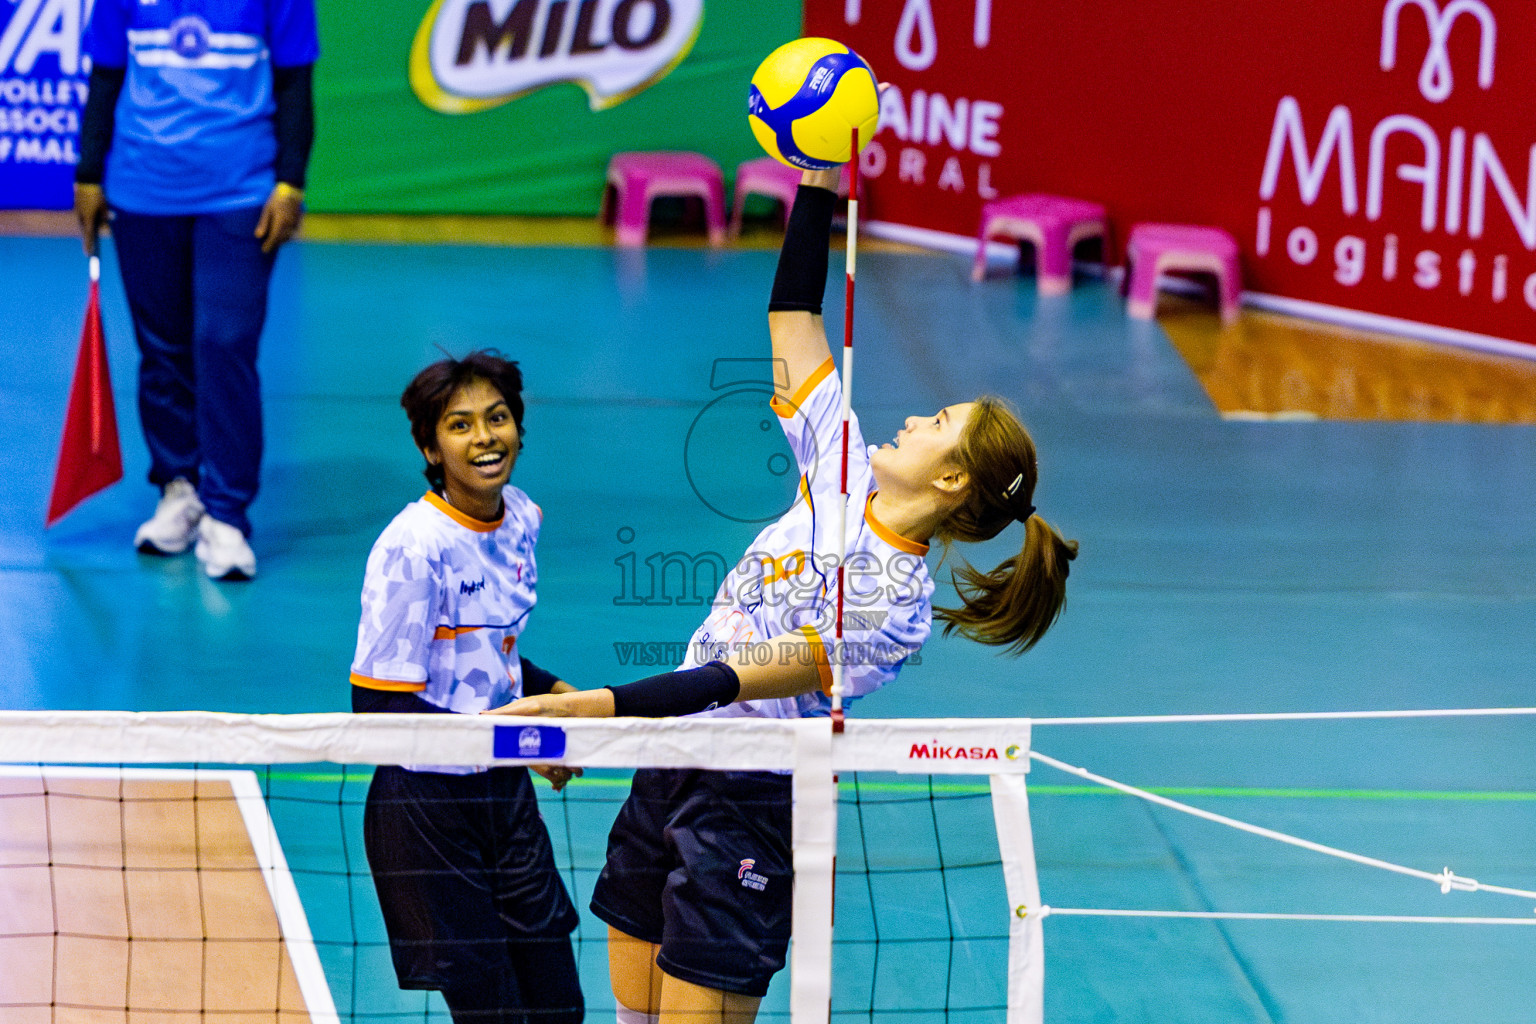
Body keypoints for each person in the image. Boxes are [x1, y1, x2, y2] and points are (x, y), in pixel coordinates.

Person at [491, 168, 1079, 1024]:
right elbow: (795, 317)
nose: (914, 420)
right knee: (631, 1008)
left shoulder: (893, 607)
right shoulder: (839, 469)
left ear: (953, 480)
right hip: (671, 761)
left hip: (750, 801)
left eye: (937, 424)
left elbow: (730, 678)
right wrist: (816, 181)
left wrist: (593, 709)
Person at [351, 352, 585, 1024]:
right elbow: (378, 707)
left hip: (502, 796)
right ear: (431, 448)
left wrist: (557, 695)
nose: (484, 437)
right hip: (428, 807)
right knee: (493, 1015)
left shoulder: (521, 518)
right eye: (460, 425)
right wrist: (525, 738)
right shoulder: (412, 548)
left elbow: (489, 653)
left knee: (559, 1007)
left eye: (497, 417)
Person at [73, 0, 319, 580]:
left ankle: (226, 513)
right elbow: (107, 74)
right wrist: (88, 173)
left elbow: (294, 81)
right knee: (163, 350)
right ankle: (178, 489)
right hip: (142, 189)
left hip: (241, 192)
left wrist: (290, 181)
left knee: (224, 342)